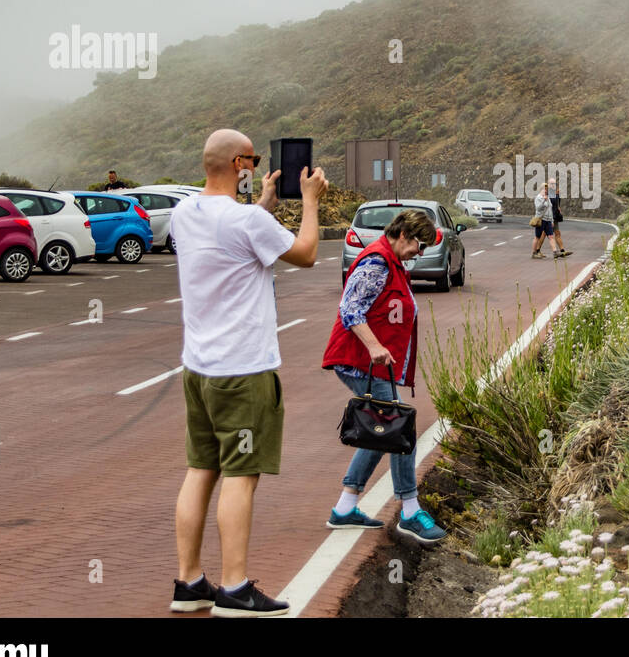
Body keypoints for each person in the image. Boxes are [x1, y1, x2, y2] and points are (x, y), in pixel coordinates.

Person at [169, 129, 328, 617]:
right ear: (240, 163)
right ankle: (235, 588)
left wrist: (260, 204)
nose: (256, 166)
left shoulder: (183, 213)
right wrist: (310, 201)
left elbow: (235, 235)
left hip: (198, 368)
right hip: (243, 371)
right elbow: (305, 254)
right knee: (242, 475)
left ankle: (190, 583)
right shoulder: (243, 222)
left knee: (201, 470)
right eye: (253, 160)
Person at [321, 208, 448, 544]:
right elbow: (350, 309)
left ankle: (346, 506)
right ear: (403, 235)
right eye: (418, 246)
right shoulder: (377, 262)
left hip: (372, 363)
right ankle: (409, 510)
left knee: (384, 430)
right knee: (398, 428)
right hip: (359, 361)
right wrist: (375, 346)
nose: (419, 254)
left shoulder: (391, 262)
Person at [530, 183, 560, 259]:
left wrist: (552, 220)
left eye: (547, 189)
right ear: (542, 189)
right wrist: (544, 200)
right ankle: (534, 253)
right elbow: (538, 208)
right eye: (545, 189)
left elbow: (550, 209)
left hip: (548, 220)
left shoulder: (548, 197)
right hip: (541, 219)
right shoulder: (538, 197)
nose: (546, 191)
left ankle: (555, 252)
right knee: (537, 237)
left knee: (551, 236)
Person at [547, 177, 573, 259]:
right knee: (542, 235)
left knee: (557, 233)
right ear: (548, 184)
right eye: (551, 183)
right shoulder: (546, 193)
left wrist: (558, 208)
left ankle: (562, 251)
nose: (553, 185)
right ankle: (536, 251)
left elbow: (557, 203)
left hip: (555, 216)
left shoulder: (556, 192)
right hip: (547, 217)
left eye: (554, 183)